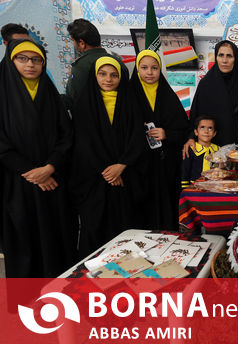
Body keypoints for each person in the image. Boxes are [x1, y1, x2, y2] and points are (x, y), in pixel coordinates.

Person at [0, 39, 77, 277]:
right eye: (22, 59)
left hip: (54, 182)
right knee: (25, 243)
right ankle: (28, 302)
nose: (30, 65)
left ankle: (60, 297)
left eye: (36, 60)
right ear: (11, 62)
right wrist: (35, 174)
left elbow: (66, 135)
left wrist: (50, 166)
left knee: (58, 239)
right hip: (18, 184)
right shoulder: (2, 94)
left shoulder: (49, 94)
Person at [70, 56, 145, 258]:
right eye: (102, 74)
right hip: (95, 179)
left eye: (114, 75)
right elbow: (84, 143)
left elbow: (137, 137)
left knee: (126, 227)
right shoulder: (83, 104)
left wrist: (122, 165)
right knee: (96, 227)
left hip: (125, 176)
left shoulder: (130, 102)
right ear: (94, 76)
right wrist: (108, 171)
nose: (108, 79)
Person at [128, 50, 189, 231]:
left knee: (166, 208)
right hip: (139, 166)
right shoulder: (129, 95)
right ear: (137, 69)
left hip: (165, 166)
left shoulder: (168, 96)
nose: (149, 72)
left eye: (154, 68)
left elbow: (183, 129)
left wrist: (166, 133)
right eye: (144, 67)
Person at [187, 40, 238, 149]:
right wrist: (191, 137)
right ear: (216, 58)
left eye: (229, 56)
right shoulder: (206, 84)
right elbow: (196, 114)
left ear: (236, 59)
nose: (224, 60)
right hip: (209, 147)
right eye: (221, 55)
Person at [65, 18, 128, 111]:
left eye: (73, 40)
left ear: (82, 43)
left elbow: (73, 99)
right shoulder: (118, 62)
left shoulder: (80, 66)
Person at [181, 115, 219, 187]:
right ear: (196, 132)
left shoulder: (218, 150)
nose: (206, 131)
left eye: (210, 128)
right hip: (194, 186)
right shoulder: (190, 149)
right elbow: (185, 170)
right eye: (202, 127)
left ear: (214, 133)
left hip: (214, 186)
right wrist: (185, 187)